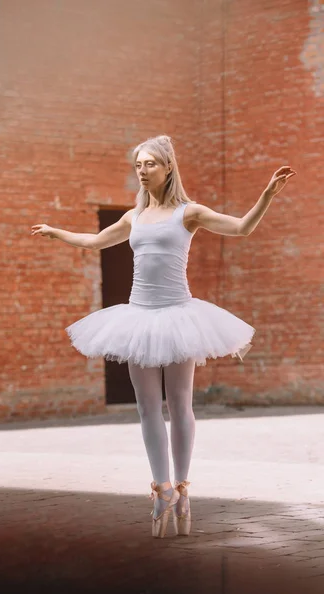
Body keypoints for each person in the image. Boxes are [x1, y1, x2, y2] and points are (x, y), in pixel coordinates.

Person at [31, 135, 296, 539]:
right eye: (138, 163)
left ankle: (184, 486)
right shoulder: (133, 217)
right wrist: (57, 232)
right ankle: (163, 490)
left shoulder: (188, 213)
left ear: (168, 167)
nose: (142, 170)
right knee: (147, 408)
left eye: (150, 163)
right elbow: (96, 241)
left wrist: (266, 196)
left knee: (180, 405)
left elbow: (241, 228)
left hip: (178, 316)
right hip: (138, 318)